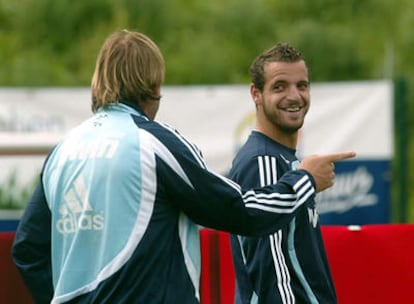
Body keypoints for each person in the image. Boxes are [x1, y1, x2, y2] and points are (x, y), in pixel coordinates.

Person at [12, 30, 354, 304]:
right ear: (155, 85)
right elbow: (241, 211)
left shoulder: (64, 149)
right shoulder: (154, 143)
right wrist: (305, 179)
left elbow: (27, 249)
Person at [228, 42, 343, 304]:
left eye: (302, 85)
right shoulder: (263, 161)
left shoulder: (284, 158)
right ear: (255, 93)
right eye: (279, 87)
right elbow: (272, 268)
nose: (294, 96)